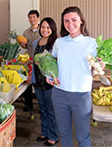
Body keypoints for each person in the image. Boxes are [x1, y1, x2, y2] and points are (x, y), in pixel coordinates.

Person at [47, 6, 97, 147]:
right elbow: (52, 63)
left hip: (81, 96)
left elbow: (96, 67)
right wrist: (48, 75)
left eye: (74, 20)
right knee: (64, 133)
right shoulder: (59, 42)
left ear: (81, 21)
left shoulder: (91, 43)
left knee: (83, 135)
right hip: (59, 93)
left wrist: (98, 67)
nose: (70, 24)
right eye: (66, 21)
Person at [32, 17, 59, 146]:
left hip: (50, 83)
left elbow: (59, 62)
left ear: (52, 29)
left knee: (51, 110)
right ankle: (44, 132)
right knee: (42, 109)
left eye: (48, 27)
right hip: (38, 81)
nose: (45, 30)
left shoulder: (56, 43)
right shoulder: (37, 42)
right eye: (43, 27)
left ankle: (53, 136)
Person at [21, 10, 40, 112]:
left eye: (34, 17)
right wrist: (22, 45)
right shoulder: (25, 32)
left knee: (39, 85)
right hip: (29, 61)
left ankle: (42, 106)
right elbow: (24, 46)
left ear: (38, 18)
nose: (32, 19)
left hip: (40, 62)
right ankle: (28, 105)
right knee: (28, 84)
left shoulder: (43, 30)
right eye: (30, 17)